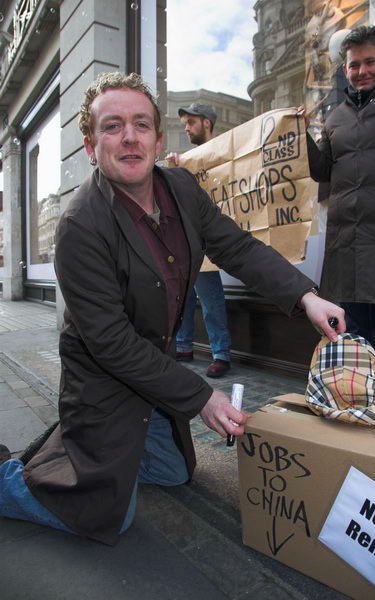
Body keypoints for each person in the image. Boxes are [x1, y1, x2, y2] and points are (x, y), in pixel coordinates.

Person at [0, 72, 345, 546]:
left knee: (174, 473)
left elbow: (237, 248)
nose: (129, 137)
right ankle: (15, 479)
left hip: (155, 375)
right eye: (112, 126)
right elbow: (111, 343)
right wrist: (202, 397)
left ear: (158, 139)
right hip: (104, 377)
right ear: (90, 145)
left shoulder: (181, 187)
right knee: (106, 513)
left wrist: (306, 296)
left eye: (141, 125)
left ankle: (90, 451)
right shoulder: (80, 225)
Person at [300, 25, 375, 412]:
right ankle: (363, 410)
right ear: (345, 68)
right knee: (354, 335)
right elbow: (321, 171)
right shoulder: (335, 117)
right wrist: (300, 134)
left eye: (369, 62)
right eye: (354, 64)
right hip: (348, 245)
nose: (361, 71)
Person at [167, 103, 231, 378]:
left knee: (209, 297)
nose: (187, 128)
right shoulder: (188, 159)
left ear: (207, 122)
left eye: (191, 122)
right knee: (184, 295)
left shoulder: (224, 151)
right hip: (187, 237)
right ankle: (183, 346)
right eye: (185, 123)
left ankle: (221, 353)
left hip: (209, 238)